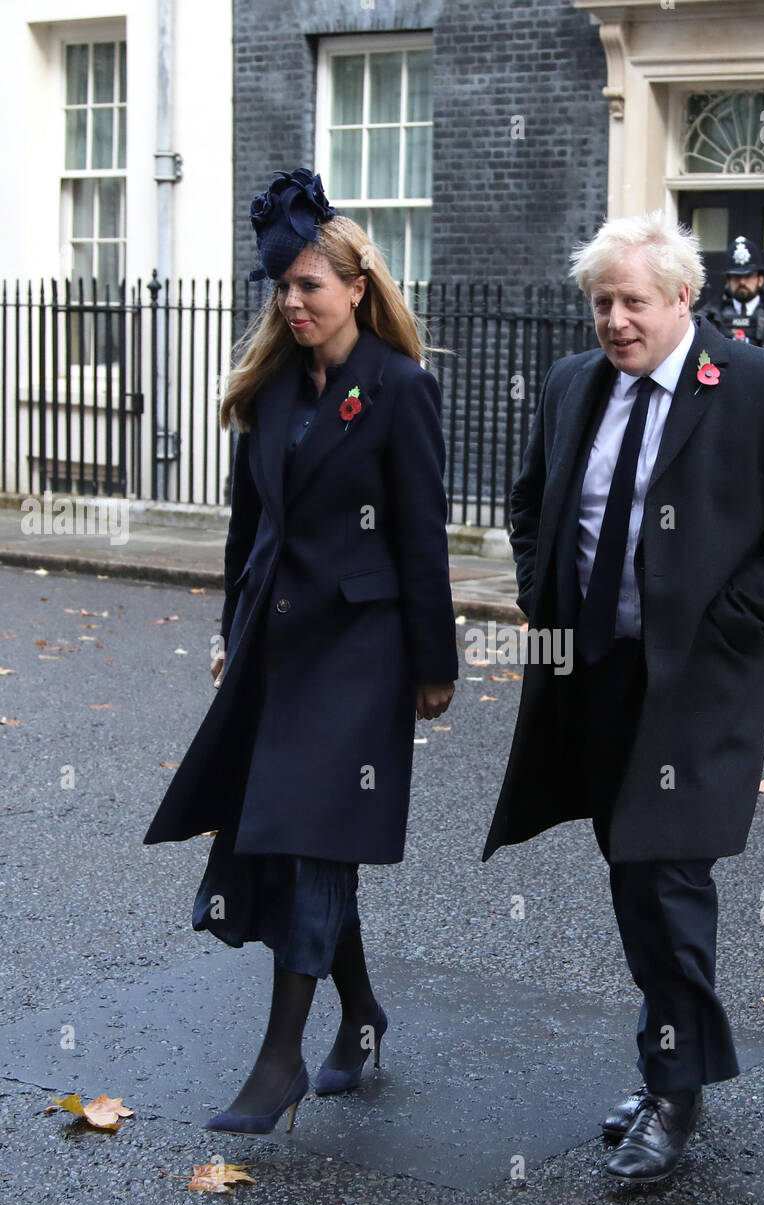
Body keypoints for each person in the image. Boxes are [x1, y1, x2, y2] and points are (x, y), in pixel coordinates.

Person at [483, 211, 764, 1184]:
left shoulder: (759, 386)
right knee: (631, 880)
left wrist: (728, 622)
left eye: (630, 301)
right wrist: (539, 592)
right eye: (599, 302)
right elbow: (528, 503)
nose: (611, 320)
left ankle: (674, 1090)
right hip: (596, 678)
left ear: (682, 298)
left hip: (692, 689)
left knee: (666, 880)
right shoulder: (572, 385)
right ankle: (665, 1066)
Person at [144, 168, 457, 1135]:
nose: (293, 302)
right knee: (302, 832)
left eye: (310, 286)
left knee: (313, 835)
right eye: (283, 287)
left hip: (362, 650)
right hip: (278, 652)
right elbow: (249, 536)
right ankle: (359, 1016)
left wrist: (434, 662)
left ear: (356, 287)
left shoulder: (400, 390)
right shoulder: (271, 393)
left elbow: (421, 536)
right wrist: (226, 634)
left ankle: (278, 1062)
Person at [699, 235, 764, 354]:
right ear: (728, 280)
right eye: (736, 277)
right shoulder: (709, 315)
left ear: (760, 279)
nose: (742, 282)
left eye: (748, 276)